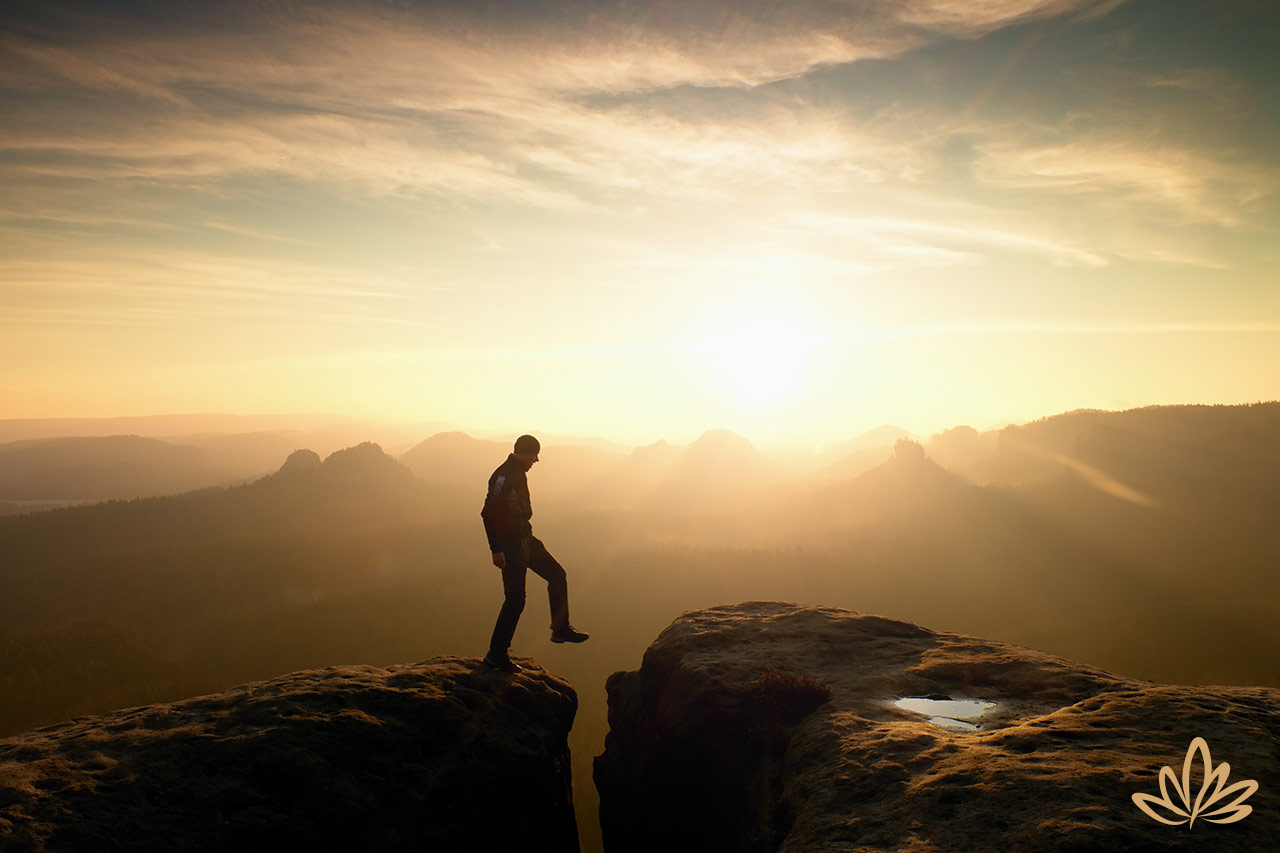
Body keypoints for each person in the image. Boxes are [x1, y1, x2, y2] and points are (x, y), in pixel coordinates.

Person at [481, 434, 588, 673]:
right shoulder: (503, 477)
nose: (536, 461)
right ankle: (496, 655)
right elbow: (488, 513)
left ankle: (560, 629)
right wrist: (496, 549)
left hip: (526, 539)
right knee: (515, 600)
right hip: (510, 547)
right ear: (525, 453)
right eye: (534, 456)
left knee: (557, 574)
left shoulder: (517, 473)